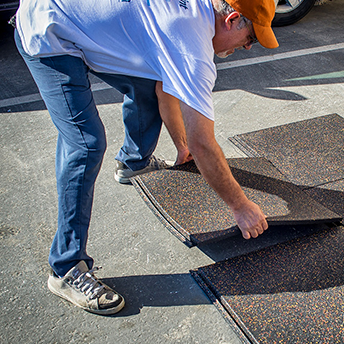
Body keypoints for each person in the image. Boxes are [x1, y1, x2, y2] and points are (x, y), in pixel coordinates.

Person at [14, 0, 278, 315]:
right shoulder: (189, 45)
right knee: (85, 143)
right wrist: (241, 207)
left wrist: (182, 146)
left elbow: (164, 87)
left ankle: (133, 163)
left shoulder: (193, 15)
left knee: (145, 82)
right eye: (250, 38)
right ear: (232, 20)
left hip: (83, 20)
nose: (248, 47)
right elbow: (204, 142)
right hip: (48, 28)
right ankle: (66, 268)